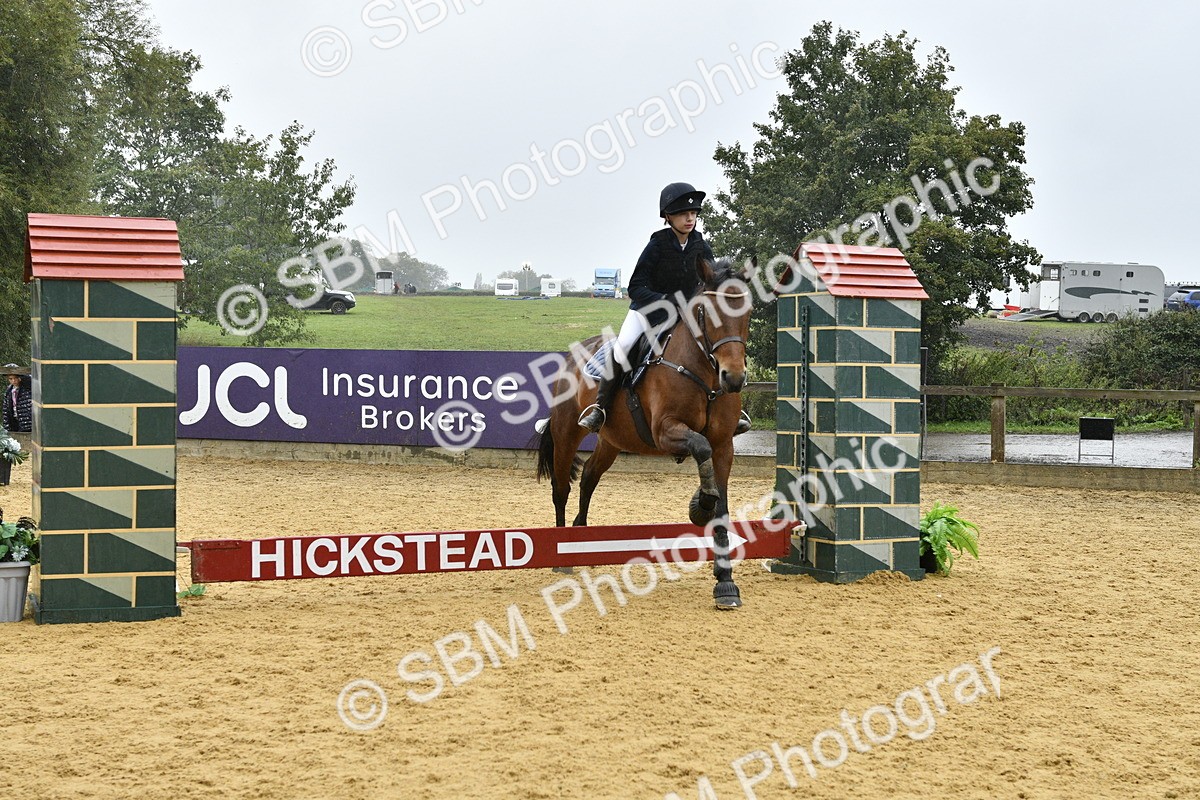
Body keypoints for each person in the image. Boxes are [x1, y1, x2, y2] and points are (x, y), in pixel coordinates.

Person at [577, 183, 752, 435]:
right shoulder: (657, 245)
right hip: (647, 312)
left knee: (715, 344)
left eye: (693, 213)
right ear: (668, 217)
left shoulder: (701, 246)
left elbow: (712, 280)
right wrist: (667, 300)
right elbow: (635, 286)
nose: (690, 218)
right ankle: (600, 409)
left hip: (685, 316)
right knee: (624, 345)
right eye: (683, 213)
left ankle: (729, 413)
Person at [2, 364, 32, 433]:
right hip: (16, 424)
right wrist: (7, 428)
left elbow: (30, 380)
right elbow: (6, 411)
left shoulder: (27, 387)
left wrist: (20, 373)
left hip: (28, 424)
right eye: (10, 379)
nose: (13, 381)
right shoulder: (9, 391)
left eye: (15, 378)